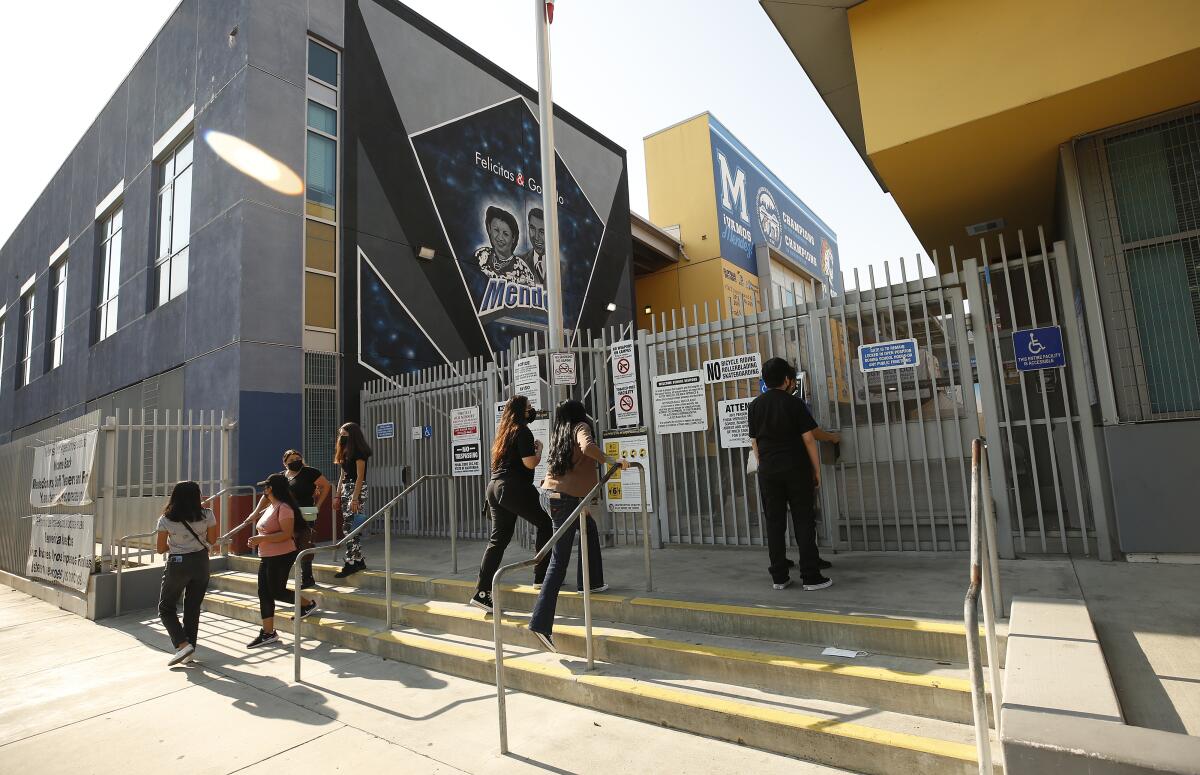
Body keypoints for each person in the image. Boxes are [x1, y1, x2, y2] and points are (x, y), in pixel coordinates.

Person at [527, 400, 628, 653]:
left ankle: (591, 581)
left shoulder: (560, 431)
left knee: (589, 528)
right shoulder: (580, 426)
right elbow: (588, 447)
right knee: (558, 561)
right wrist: (611, 460)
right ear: (579, 414)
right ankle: (540, 624)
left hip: (554, 495)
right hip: (565, 500)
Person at [748, 357, 832, 592]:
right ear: (786, 380)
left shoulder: (755, 406)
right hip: (796, 470)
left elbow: (755, 443)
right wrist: (816, 470)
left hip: (768, 472)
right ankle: (811, 577)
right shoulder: (794, 404)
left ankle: (779, 577)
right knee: (803, 521)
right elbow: (808, 439)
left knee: (774, 523)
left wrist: (765, 465)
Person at [469, 395, 553, 613]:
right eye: (528, 408)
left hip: (495, 488)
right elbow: (529, 463)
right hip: (514, 487)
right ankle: (541, 577)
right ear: (520, 411)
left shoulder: (504, 433)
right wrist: (539, 451)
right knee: (546, 523)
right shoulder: (522, 430)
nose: (531, 410)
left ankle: (482, 592)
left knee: (498, 540)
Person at [246, 474, 318, 648]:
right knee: (264, 593)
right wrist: (258, 540)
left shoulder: (284, 508)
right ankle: (268, 632)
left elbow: (286, 534)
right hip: (267, 555)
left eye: (266, 487)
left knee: (276, 591)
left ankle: (308, 604)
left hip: (282, 555)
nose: (264, 490)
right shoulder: (272, 506)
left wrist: (260, 539)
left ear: (272, 488)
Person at [155, 481, 218, 666]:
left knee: (166, 607)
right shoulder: (207, 514)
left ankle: (183, 645)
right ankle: (189, 651)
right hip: (201, 562)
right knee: (192, 608)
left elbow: (160, 549)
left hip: (178, 564)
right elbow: (212, 540)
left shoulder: (166, 519)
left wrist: (177, 543)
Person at [333, 422, 372, 578]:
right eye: (340, 434)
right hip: (346, 489)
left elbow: (360, 476)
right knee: (351, 527)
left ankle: (350, 563)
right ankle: (358, 560)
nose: (341, 436)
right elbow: (343, 475)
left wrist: (355, 498)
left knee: (350, 528)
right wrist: (337, 495)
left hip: (357, 489)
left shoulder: (359, 452)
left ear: (352, 434)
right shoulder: (344, 451)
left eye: (344, 434)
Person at [475, 206, 538, 285]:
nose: (499, 238)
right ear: (489, 229)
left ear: (513, 238)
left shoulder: (523, 269)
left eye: (505, 234)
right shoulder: (482, 255)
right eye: (496, 230)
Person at [516, 207, 546, 285]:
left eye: (542, 232)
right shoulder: (517, 262)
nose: (536, 237)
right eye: (532, 228)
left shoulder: (563, 268)